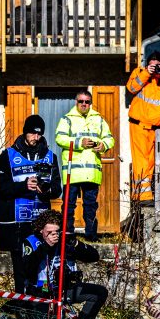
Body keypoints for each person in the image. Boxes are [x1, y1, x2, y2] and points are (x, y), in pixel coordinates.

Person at [0, 210, 107, 319]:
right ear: (41, 230)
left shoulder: (64, 242)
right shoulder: (31, 242)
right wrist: (46, 246)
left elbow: (94, 256)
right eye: (49, 232)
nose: (54, 235)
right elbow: (27, 269)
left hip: (64, 289)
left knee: (99, 292)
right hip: (41, 292)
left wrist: (75, 243)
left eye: (56, 232)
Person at [0, 114, 62, 290]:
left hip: (40, 221)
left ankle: (39, 299)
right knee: (20, 267)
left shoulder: (50, 156)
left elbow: (57, 189)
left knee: (41, 265)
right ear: (25, 132)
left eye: (39, 134)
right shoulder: (8, 155)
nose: (36, 137)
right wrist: (24, 185)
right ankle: (21, 299)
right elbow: (2, 186)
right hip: (17, 223)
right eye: (32, 133)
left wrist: (46, 190)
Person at [54, 90, 114, 239]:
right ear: (76, 102)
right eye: (81, 101)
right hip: (73, 171)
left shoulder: (99, 119)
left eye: (87, 102)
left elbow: (109, 138)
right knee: (68, 205)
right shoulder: (67, 119)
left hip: (91, 172)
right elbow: (59, 138)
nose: (84, 104)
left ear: (90, 103)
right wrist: (80, 143)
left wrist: (103, 145)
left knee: (90, 205)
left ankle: (91, 235)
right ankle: (67, 234)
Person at [125, 51, 160, 206]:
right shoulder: (140, 73)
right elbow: (131, 88)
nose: (155, 68)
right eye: (152, 65)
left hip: (156, 130)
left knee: (150, 162)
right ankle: (143, 197)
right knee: (141, 161)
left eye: (157, 66)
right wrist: (146, 73)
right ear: (147, 65)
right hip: (138, 124)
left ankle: (142, 194)